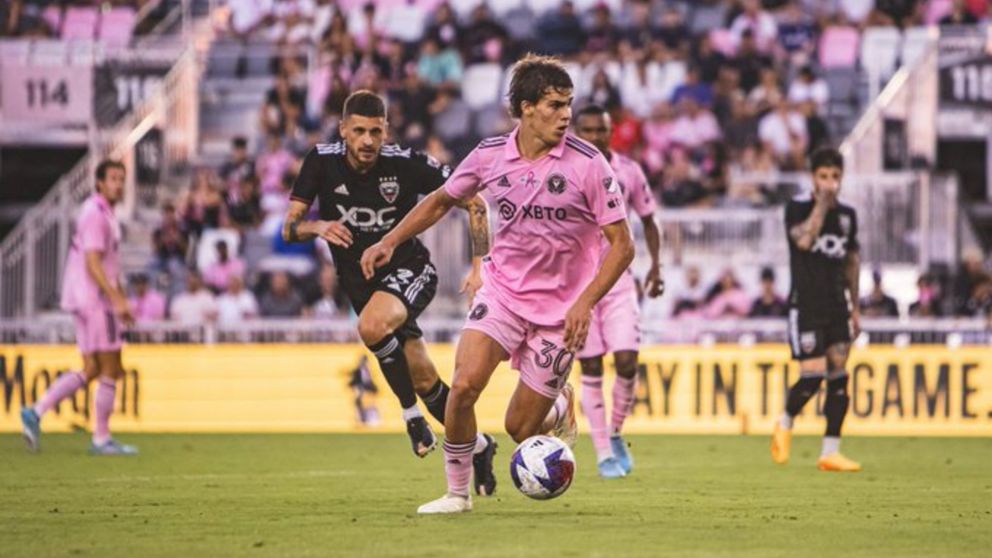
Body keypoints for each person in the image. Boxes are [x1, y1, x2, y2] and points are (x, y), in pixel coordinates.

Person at [361, 55, 635, 514]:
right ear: (526, 108)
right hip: (503, 295)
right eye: (554, 104)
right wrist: (390, 240)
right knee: (465, 385)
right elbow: (441, 201)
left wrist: (585, 303)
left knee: (521, 428)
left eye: (568, 104)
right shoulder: (490, 155)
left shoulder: (589, 165)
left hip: (561, 313)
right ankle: (457, 494)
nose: (566, 115)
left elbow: (623, 245)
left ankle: (558, 407)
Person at [282, 90, 498, 495]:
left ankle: (410, 416)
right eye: (359, 131)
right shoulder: (320, 161)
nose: (367, 140)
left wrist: (477, 267)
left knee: (372, 326)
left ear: (386, 132)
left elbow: (476, 203)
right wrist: (318, 226)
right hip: (360, 284)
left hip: (410, 270)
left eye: (375, 132)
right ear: (343, 130)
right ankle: (481, 446)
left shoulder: (406, 165)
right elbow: (289, 228)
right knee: (425, 378)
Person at [21, 160, 138, 455]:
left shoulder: (103, 212)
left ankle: (36, 411)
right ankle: (101, 438)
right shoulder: (96, 214)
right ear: (99, 182)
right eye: (113, 178)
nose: (118, 184)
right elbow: (93, 262)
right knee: (111, 366)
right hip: (95, 299)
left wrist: (119, 294)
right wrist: (116, 298)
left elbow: (108, 264)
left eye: (121, 179)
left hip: (85, 298)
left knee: (92, 368)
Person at [572, 104, 664, 479]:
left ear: (611, 132)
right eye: (588, 130)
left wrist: (656, 266)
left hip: (620, 282)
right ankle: (603, 452)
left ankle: (615, 432)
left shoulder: (629, 172)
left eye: (601, 130)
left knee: (627, 361)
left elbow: (649, 219)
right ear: (578, 132)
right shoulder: (565, 170)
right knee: (591, 367)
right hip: (579, 288)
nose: (595, 137)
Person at [773, 148, 862, 473]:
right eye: (823, 177)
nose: (829, 183)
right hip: (806, 306)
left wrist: (856, 308)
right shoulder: (797, 208)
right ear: (813, 178)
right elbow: (804, 242)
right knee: (812, 377)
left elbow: (852, 261)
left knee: (840, 377)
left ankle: (830, 452)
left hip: (838, 306)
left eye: (835, 177)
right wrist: (822, 207)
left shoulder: (849, 216)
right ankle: (784, 422)